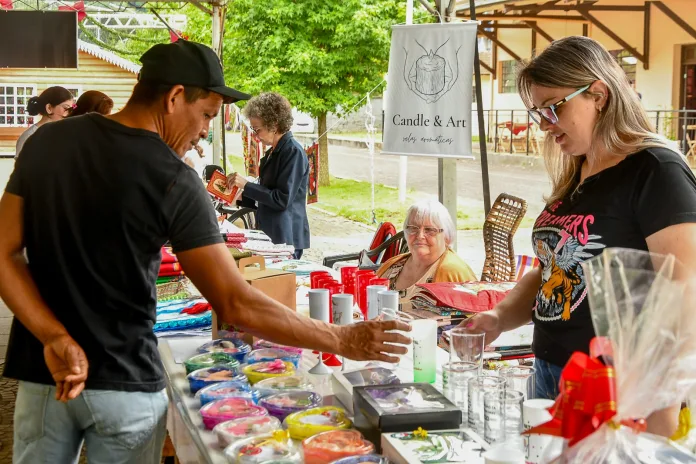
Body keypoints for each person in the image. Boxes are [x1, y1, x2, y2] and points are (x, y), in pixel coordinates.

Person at [0, 40, 409, 464]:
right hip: (124, 382)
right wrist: (341, 337)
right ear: (175, 97)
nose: (202, 133)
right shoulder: (173, 178)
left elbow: (4, 254)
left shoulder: (48, 143)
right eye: (207, 116)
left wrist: (54, 337)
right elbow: (235, 302)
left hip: (44, 369)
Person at [463, 36, 696, 437]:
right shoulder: (580, 171)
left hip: (617, 391)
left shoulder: (656, 170)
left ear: (599, 95)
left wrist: (661, 412)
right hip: (551, 371)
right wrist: (499, 316)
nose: (543, 124)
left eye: (552, 108)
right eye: (537, 112)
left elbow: (684, 296)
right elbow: (554, 268)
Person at [228, 92, 309, 260]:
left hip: (286, 236)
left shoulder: (292, 151)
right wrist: (240, 197)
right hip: (273, 232)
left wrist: (246, 185)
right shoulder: (273, 152)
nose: (256, 136)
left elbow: (281, 199)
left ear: (274, 124)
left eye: (258, 130)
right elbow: (266, 193)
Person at [376, 200, 477, 310]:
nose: (420, 235)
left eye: (430, 230)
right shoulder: (393, 264)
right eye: (413, 228)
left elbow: (473, 320)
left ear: (446, 237)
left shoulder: (453, 271)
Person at [15, 86, 74, 157]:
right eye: (66, 108)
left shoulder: (65, 134)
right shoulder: (29, 136)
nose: (69, 113)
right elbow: (21, 167)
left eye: (72, 109)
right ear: (49, 108)